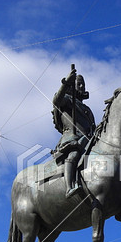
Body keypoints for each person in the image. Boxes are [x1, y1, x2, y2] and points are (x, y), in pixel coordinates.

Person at [52, 67, 96, 198]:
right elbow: (56, 101)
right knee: (74, 154)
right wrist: (66, 83)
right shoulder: (66, 99)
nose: (82, 86)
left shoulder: (87, 108)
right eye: (79, 84)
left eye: (83, 84)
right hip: (72, 139)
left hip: (88, 140)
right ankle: (69, 187)